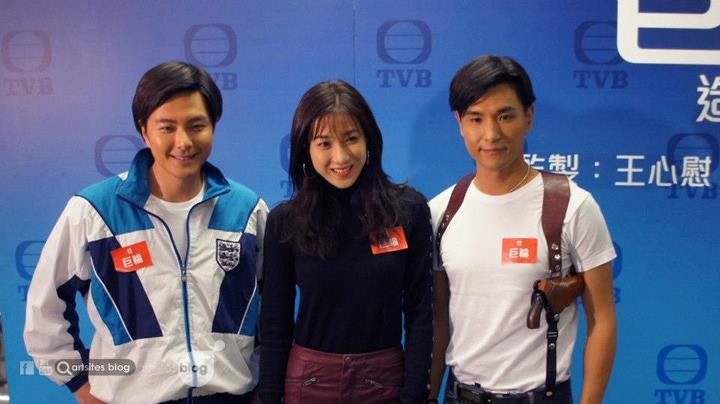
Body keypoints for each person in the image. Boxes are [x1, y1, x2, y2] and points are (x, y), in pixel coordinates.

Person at [24, 61, 268, 403]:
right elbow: (45, 310)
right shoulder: (95, 211)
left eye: (196, 125)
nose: (183, 142)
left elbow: (273, 313)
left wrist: (262, 388)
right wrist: (80, 384)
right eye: (167, 127)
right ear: (144, 131)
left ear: (213, 126)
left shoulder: (248, 211)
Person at [428, 55, 617, 403]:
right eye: (476, 118)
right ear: (459, 123)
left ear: (528, 117)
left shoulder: (572, 206)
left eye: (505, 116)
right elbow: (438, 320)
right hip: (461, 395)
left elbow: (602, 319)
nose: (491, 134)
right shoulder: (440, 211)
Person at [259, 80, 433, 404]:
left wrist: (414, 394)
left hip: (384, 382)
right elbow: (274, 323)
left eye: (351, 138)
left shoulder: (408, 210)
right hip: (309, 382)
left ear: (369, 140)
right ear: (305, 149)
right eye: (324, 143)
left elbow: (421, 311)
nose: (340, 156)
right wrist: (269, 397)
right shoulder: (285, 221)